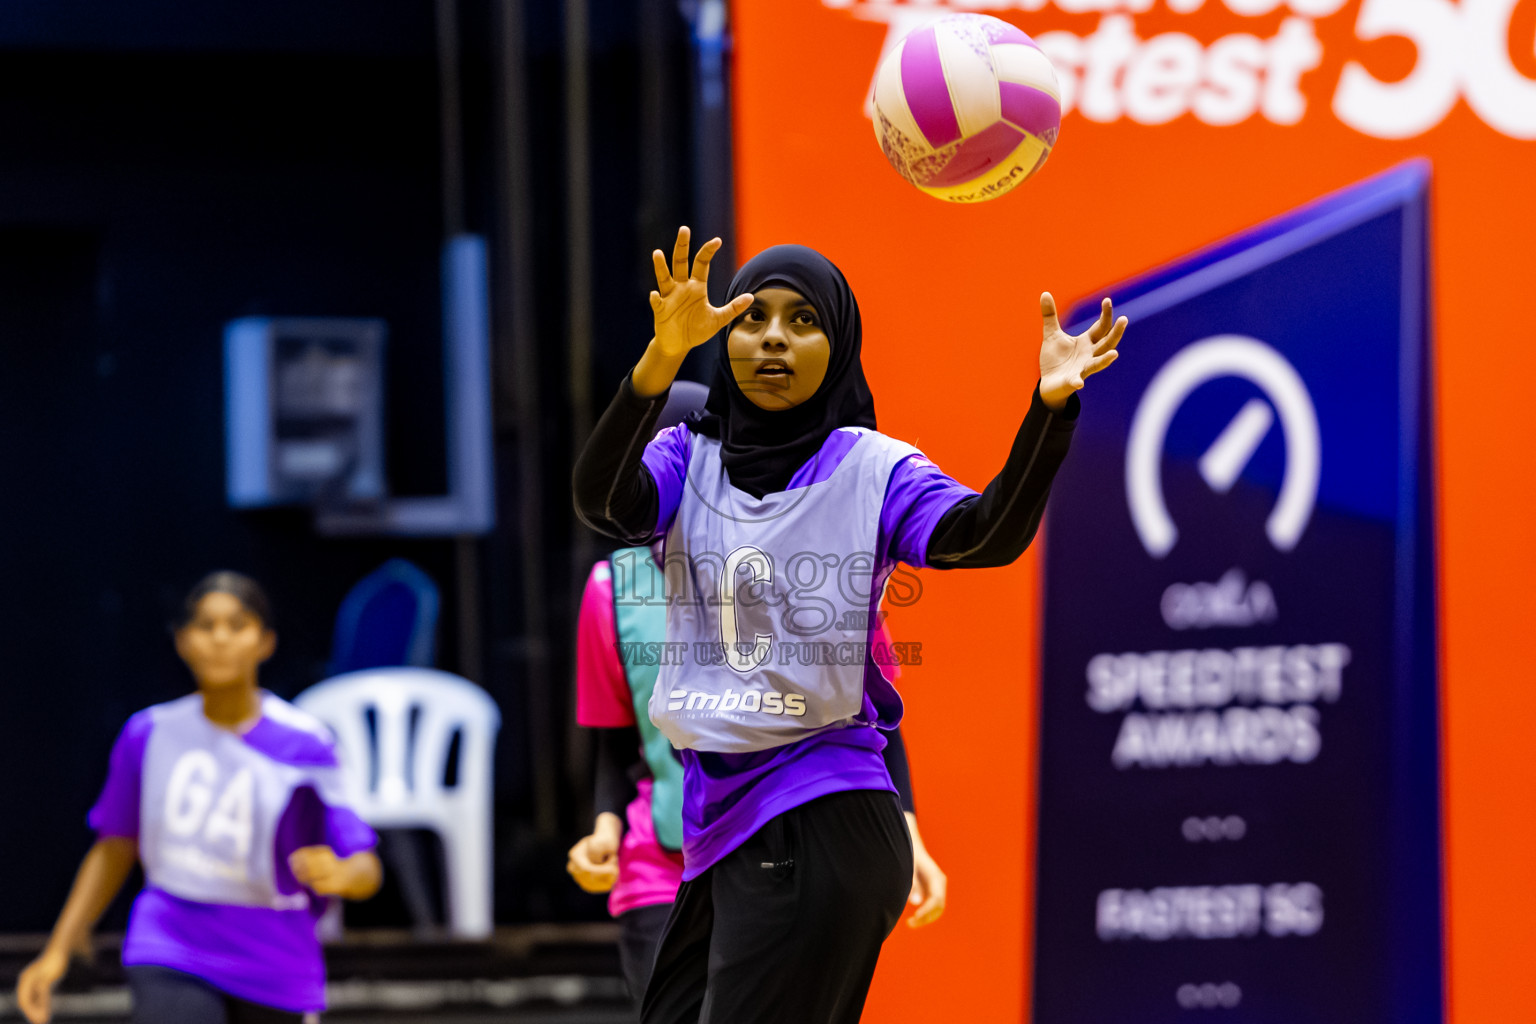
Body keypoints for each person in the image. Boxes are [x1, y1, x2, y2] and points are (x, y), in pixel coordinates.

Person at [572, 227, 1124, 1023]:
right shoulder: (684, 457)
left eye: (803, 320)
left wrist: (1050, 411)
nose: (773, 337)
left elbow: (985, 535)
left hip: (819, 815)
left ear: (839, 346)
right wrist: (661, 358)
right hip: (719, 822)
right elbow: (601, 502)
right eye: (754, 317)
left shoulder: (874, 468)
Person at [567, 382, 947, 1006]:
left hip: (772, 839)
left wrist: (911, 838)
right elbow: (615, 739)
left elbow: (873, 721)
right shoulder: (612, 590)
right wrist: (605, 830)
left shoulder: (819, 567)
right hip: (660, 864)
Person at [14, 572, 383, 1024]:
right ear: (183, 641)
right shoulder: (148, 733)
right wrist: (57, 950)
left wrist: (342, 875)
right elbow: (115, 845)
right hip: (171, 938)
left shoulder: (306, 744)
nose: (220, 639)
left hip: (275, 954)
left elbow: (366, 866)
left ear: (265, 642)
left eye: (237, 625)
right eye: (206, 626)